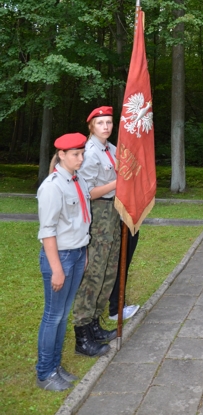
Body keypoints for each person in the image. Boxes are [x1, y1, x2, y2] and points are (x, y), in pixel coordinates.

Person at [36, 133, 91, 391]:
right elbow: (47, 231)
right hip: (61, 258)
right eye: (75, 154)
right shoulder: (53, 186)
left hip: (77, 254)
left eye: (82, 153)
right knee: (53, 316)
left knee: (62, 315)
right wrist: (57, 269)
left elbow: (79, 221)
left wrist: (85, 252)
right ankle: (45, 372)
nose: (80, 158)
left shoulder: (75, 180)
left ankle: (56, 367)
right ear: (61, 155)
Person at [72, 106, 120, 356]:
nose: (106, 127)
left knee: (109, 270)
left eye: (109, 122)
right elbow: (87, 192)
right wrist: (116, 183)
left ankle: (94, 323)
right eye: (100, 123)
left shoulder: (111, 150)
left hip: (113, 211)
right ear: (91, 126)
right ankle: (82, 334)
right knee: (93, 273)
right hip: (97, 212)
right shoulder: (89, 153)